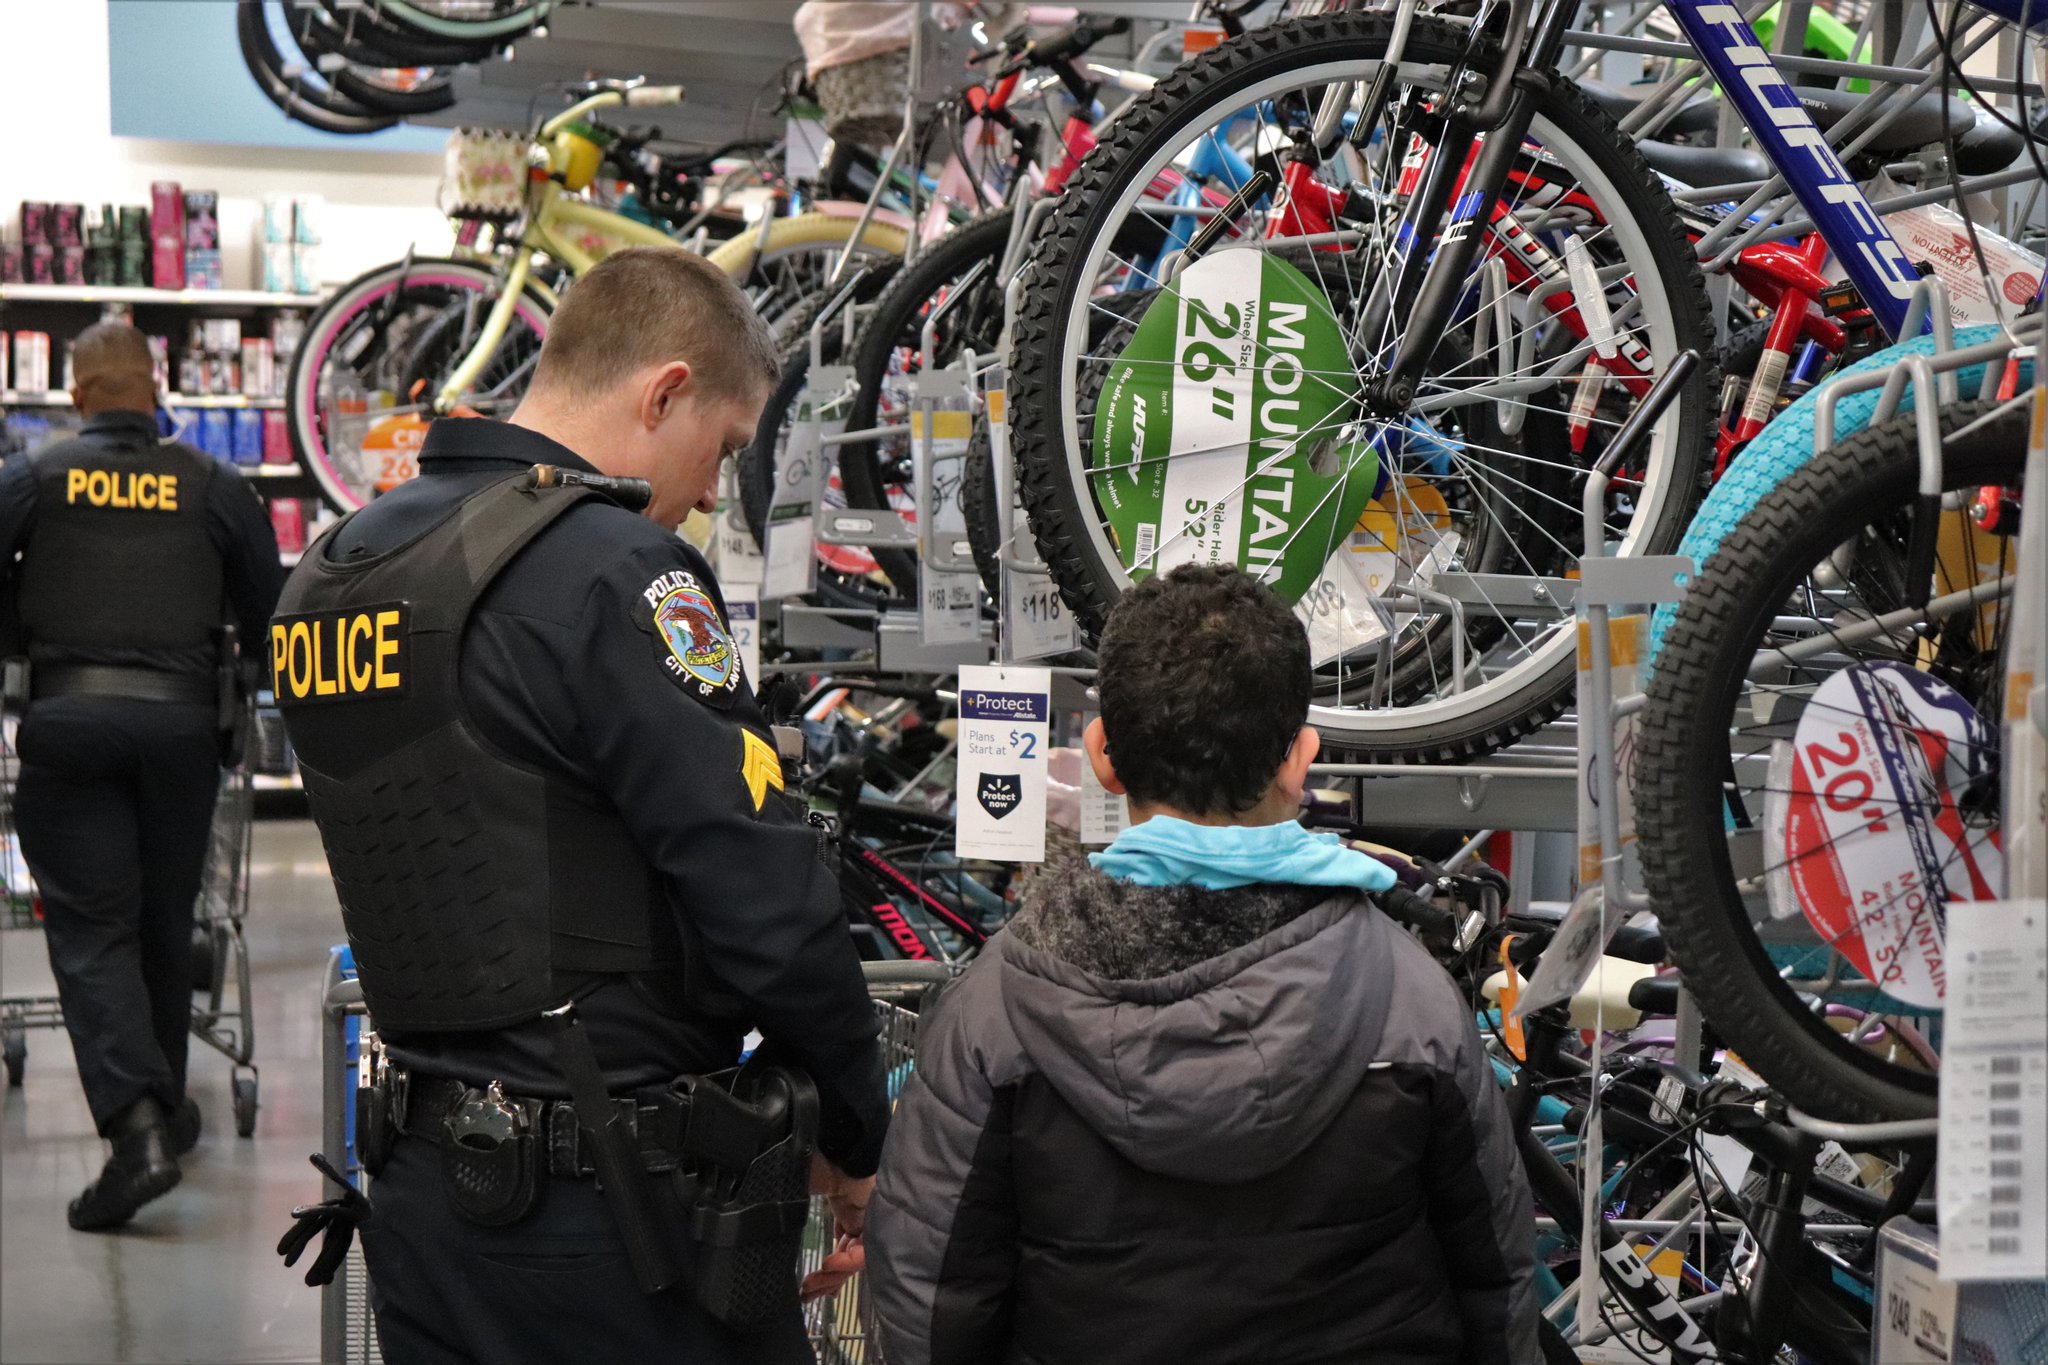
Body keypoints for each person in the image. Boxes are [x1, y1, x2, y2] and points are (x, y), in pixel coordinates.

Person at [269, 246, 889, 1365]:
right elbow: (761, 891)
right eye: (723, 451)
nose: (710, 493)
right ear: (664, 394)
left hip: (418, 1195)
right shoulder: (612, 570)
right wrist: (854, 1129)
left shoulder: (334, 573)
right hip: (615, 1216)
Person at [866, 564, 1542, 1365]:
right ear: (1301, 761)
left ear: (1100, 759)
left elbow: (929, 1304)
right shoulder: (1414, 1000)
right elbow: (1497, 1287)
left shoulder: (993, 1014)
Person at [0, 321, 283, 1230]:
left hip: (71, 722)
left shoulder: (35, 478)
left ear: (78, 397)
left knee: (92, 931)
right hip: (182, 735)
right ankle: (167, 1102)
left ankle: (134, 1133)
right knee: (165, 919)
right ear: (153, 392)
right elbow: (269, 610)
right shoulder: (215, 485)